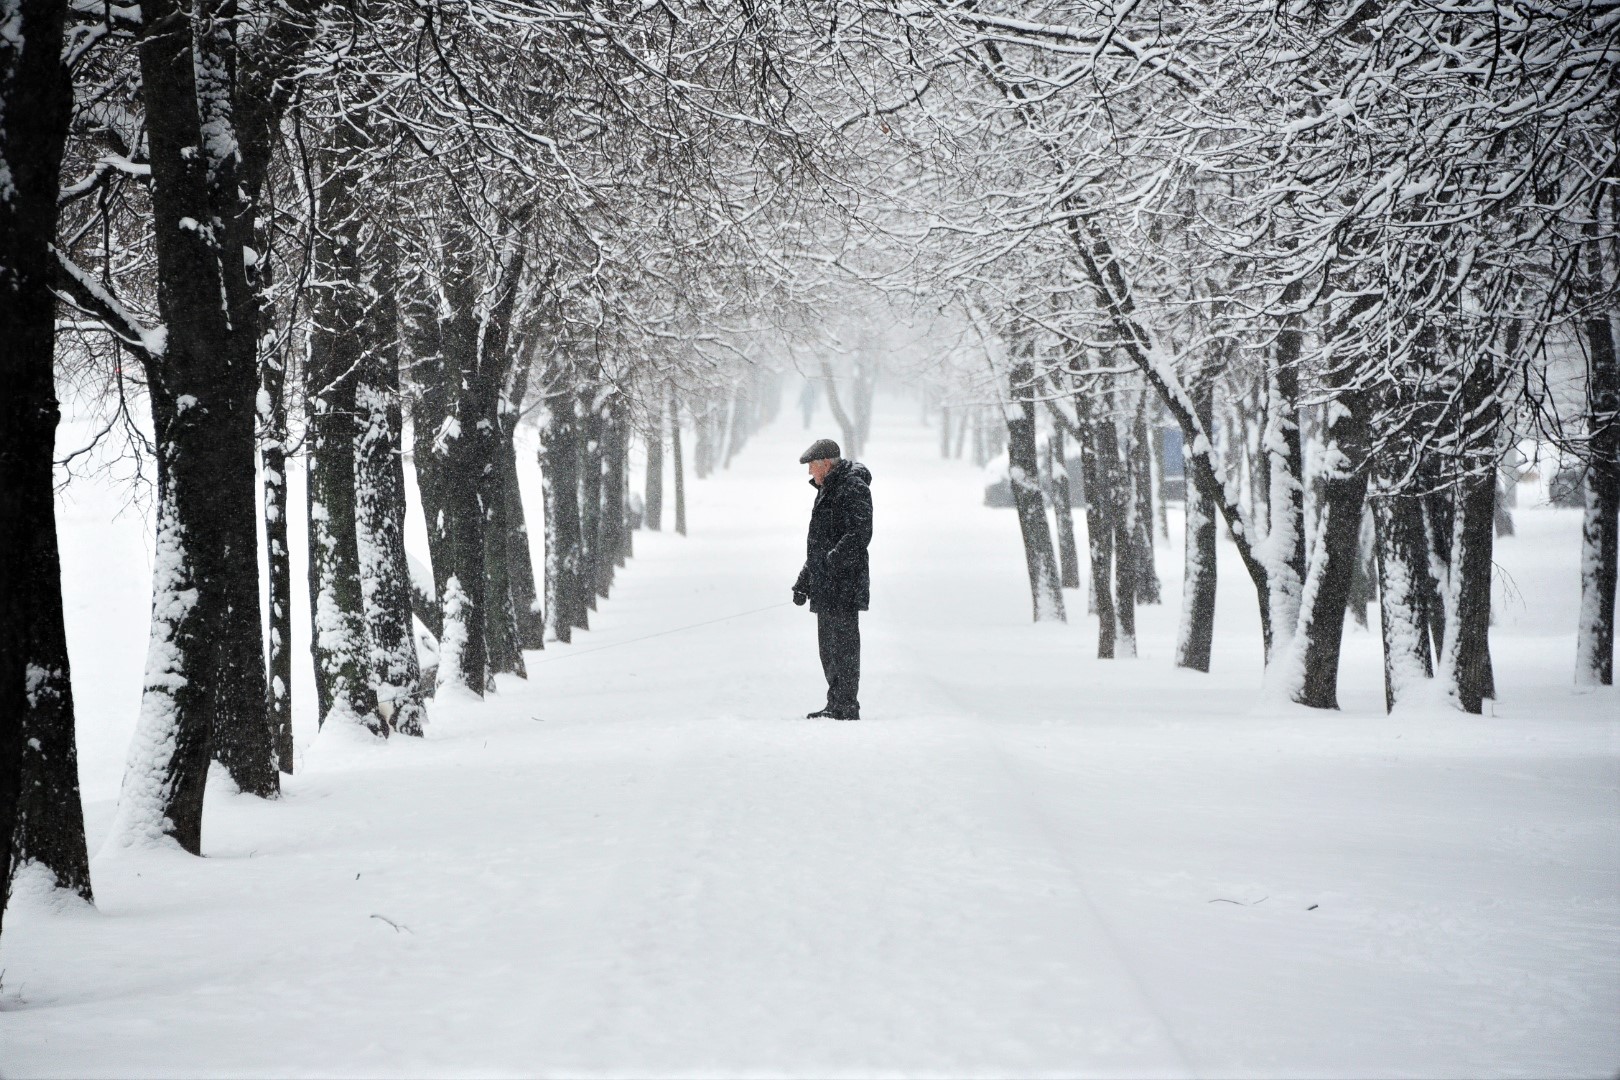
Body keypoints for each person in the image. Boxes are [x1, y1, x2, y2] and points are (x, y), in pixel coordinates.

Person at [792, 438, 873, 720]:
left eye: (812, 466)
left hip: (844, 583)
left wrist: (831, 563)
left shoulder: (852, 487)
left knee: (844, 646)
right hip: (827, 583)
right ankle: (835, 702)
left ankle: (847, 705)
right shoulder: (827, 489)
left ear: (826, 463)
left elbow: (859, 534)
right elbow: (820, 544)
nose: (810, 473)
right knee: (828, 648)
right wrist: (804, 581)